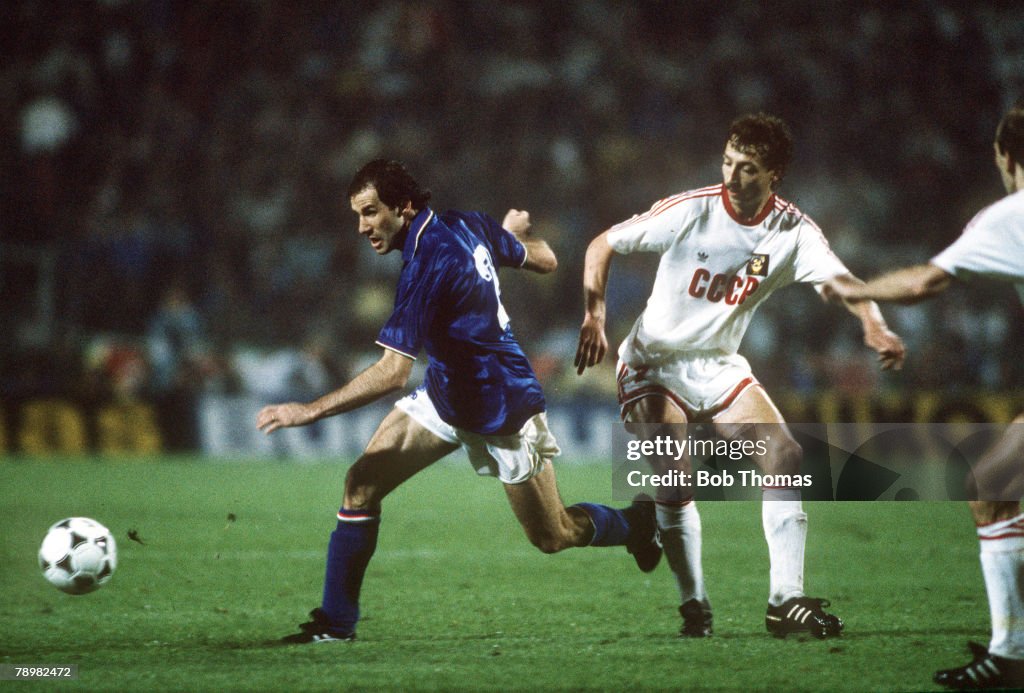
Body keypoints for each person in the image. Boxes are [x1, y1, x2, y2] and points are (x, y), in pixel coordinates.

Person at [256, 159, 660, 643]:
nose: (362, 227)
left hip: (501, 405)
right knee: (360, 485)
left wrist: (309, 410)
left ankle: (637, 523)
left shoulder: (429, 261)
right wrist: (510, 238)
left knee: (554, 535)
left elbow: (393, 372)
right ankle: (336, 624)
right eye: (358, 215)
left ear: (404, 207)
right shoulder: (466, 223)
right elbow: (546, 259)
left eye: (370, 212)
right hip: (447, 395)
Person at [574, 113, 906, 639]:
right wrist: (595, 315)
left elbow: (844, 282)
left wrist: (874, 325)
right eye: (728, 162)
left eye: (747, 168)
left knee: (785, 454)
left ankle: (785, 601)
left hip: (718, 366)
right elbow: (602, 244)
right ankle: (694, 604)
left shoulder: (792, 232)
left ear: (775, 174)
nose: (731, 175)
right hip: (652, 363)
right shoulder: (692, 210)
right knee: (675, 473)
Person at [823, 101, 1024, 689]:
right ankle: (1011, 651)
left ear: (1004, 155)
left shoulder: (1011, 216)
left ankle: (1012, 656)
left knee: (993, 488)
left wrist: (856, 290)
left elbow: (923, 282)